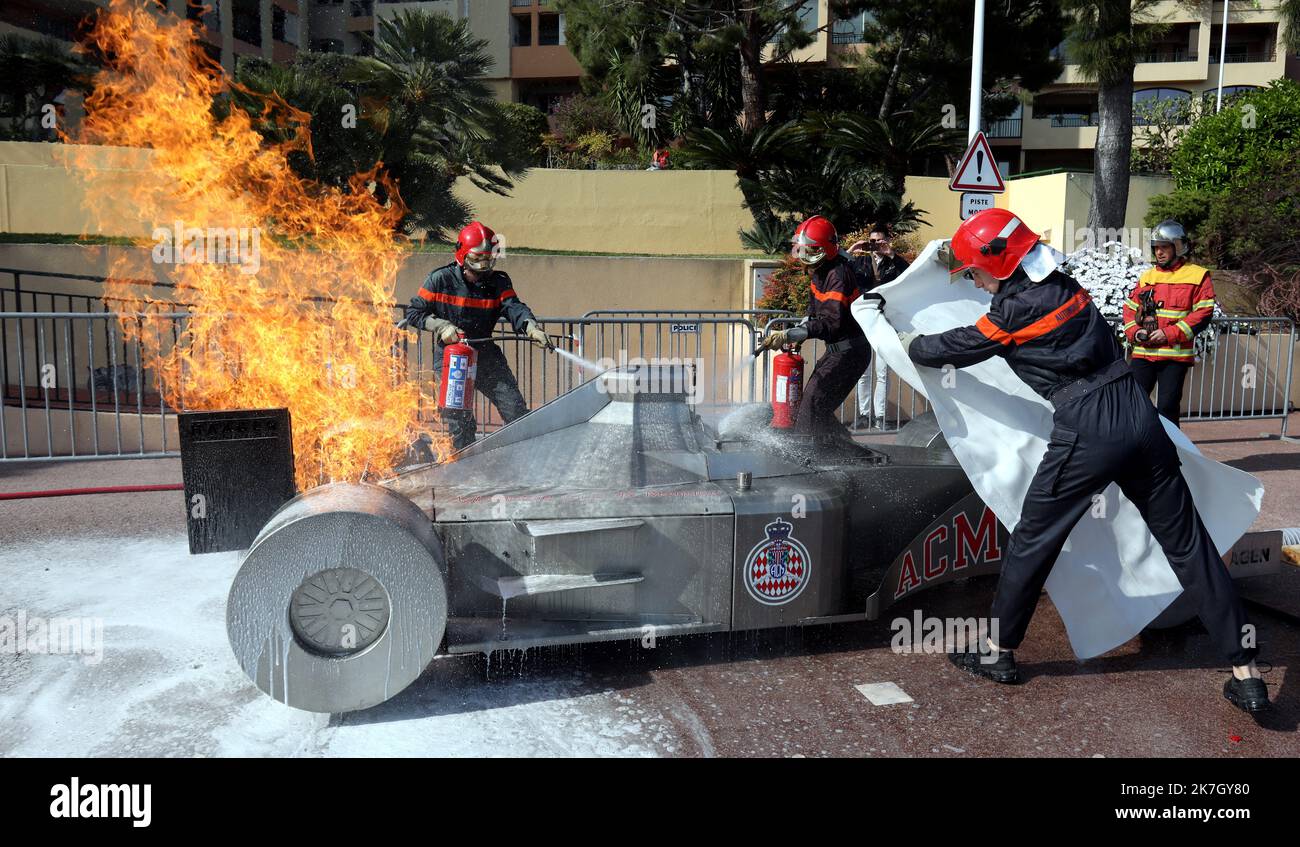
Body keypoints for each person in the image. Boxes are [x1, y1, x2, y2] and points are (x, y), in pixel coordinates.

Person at [862, 207, 1267, 714]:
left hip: (1087, 430)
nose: (977, 282)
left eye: (977, 273)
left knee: (1033, 538)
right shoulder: (1064, 286)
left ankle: (998, 651)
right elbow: (1001, 274)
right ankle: (1246, 672)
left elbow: (953, 347)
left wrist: (896, 336)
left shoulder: (1011, 313)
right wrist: (951, 255)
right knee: (1189, 546)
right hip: (1141, 420)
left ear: (1002, 265)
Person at [404, 221, 553, 450]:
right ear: (462, 255)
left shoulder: (498, 281)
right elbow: (414, 313)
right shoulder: (440, 279)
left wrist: (531, 327)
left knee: (515, 411)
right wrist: (442, 326)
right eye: (477, 260)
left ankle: (527, 457)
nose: (483, 268)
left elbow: (514, 307)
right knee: (459, 422)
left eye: (488, 260)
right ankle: (465, 464)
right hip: (453, 358)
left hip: (486, 356)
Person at [757, 215, 871, 438]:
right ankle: (841, 449)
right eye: (801, 250)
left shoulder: (838, 275)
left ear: (824, 250)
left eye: (809, 251)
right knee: (817, 406)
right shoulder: (819, 272)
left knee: (812, 405)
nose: (803, 256)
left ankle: (807, 455)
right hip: (839, 351)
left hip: (850, 352)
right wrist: (796, 334)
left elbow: (831, 323)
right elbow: (814, 314)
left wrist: (791, 333)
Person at [1121, 219, 1215, 427]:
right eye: (1156, 248)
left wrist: (1169, 334)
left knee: (1167, 408)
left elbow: (1204, 312)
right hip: (1144, 353)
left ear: (1178, 247)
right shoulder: (1147, 277)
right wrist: (1135, 332)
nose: (1159, 252)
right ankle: (1137, 452)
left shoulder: (1197, 276)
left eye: (1164, 247)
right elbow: (1129, 309)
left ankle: (1171, 454)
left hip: (1174, 356)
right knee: (1132, 403)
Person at [847, 225, 910, 431]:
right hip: (865, 321)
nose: (875, 245)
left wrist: (891, 253)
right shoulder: (861, 261)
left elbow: (910, 275)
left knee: (883, 372)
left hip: (885, 320)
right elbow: (839, 267)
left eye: (880, 240)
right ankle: (864, 414)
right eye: (872, 241)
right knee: (863, 373)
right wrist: (853, 248)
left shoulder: (894, 263)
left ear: (887, 240)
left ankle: (880, 416)